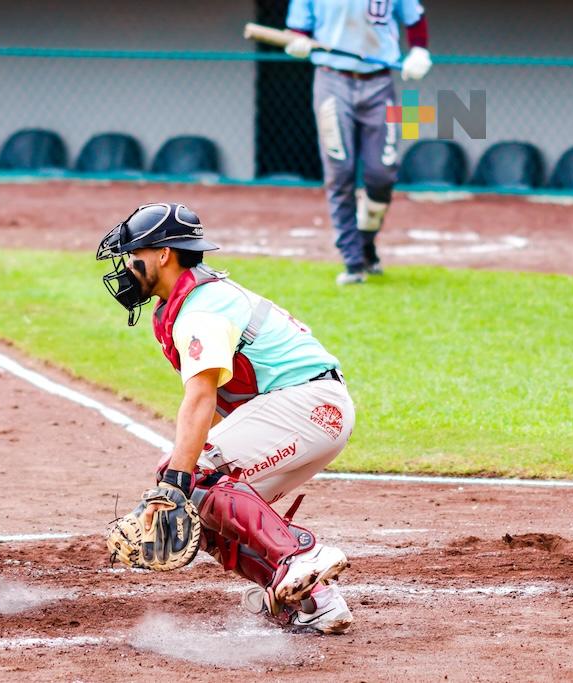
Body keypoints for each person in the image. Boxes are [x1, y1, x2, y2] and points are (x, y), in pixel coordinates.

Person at [99, 203, 355, 633]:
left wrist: (174, 482)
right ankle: (314, 602)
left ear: (163, 254)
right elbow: (221, 409)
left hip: (306, 407)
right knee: (201, 512)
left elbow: (201, 398)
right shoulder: (192, 301)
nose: (127, 266)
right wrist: (188, 486)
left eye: (133, 255)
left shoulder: (201, 310)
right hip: (306, 414)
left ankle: (298, 555)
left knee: (189, 477)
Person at [284, 0, 432, 284]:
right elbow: (298, 28)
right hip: (332, 79)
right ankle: (352, 261)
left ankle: (366, 242)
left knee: (382, 172)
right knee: (340, 171)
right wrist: (297, 41)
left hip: (379, 81)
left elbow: (414, 18)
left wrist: (419, 50)